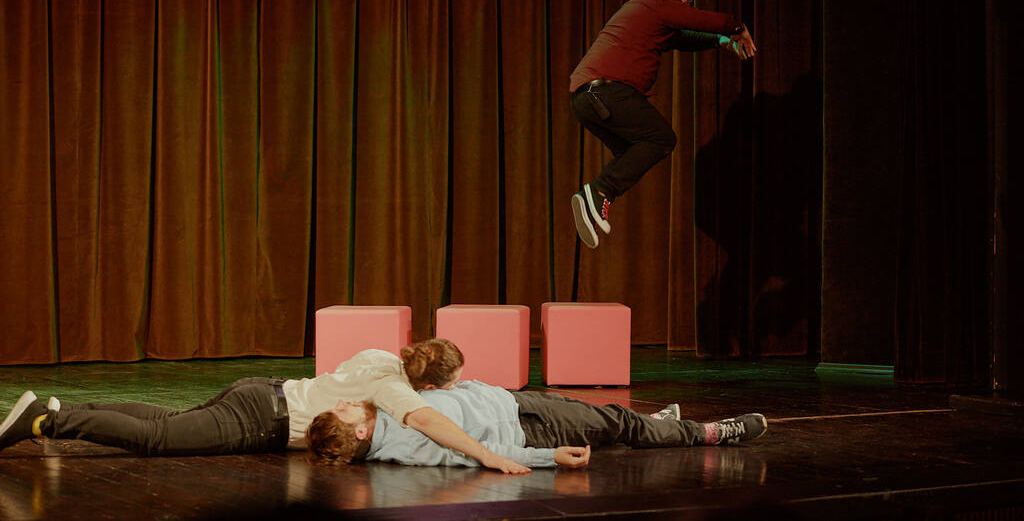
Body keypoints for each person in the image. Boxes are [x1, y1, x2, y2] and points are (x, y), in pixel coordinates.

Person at [0, 339, 529, 474]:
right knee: (159, 439)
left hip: (263, 390)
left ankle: (64, 406)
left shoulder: (380, 357)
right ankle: (47, 420)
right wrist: (486, 454)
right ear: (430, 383)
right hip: (261, 420)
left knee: (168, 420)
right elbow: (430, 421)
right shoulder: (398, 392)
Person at [569, 0, 757, 248]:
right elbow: (699, 20)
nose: (687, 6)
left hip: (585, 99)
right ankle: (598, 191)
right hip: (607, 93)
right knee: (661, 139)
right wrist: (736, 28)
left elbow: (682, 38)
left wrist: (719, 41)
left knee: (632, 153)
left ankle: (597, 199)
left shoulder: (646, 10)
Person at [305, 379, 768, 468]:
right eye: (342, 410)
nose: (345, 402)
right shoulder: (407, 445)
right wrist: (548, 457)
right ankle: (708, 433)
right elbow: (480, 455)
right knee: (618, 422)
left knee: (606, 420)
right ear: (360, 432)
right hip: (528, 429)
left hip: (514, 403)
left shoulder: (387, 413)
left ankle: (655, 425)